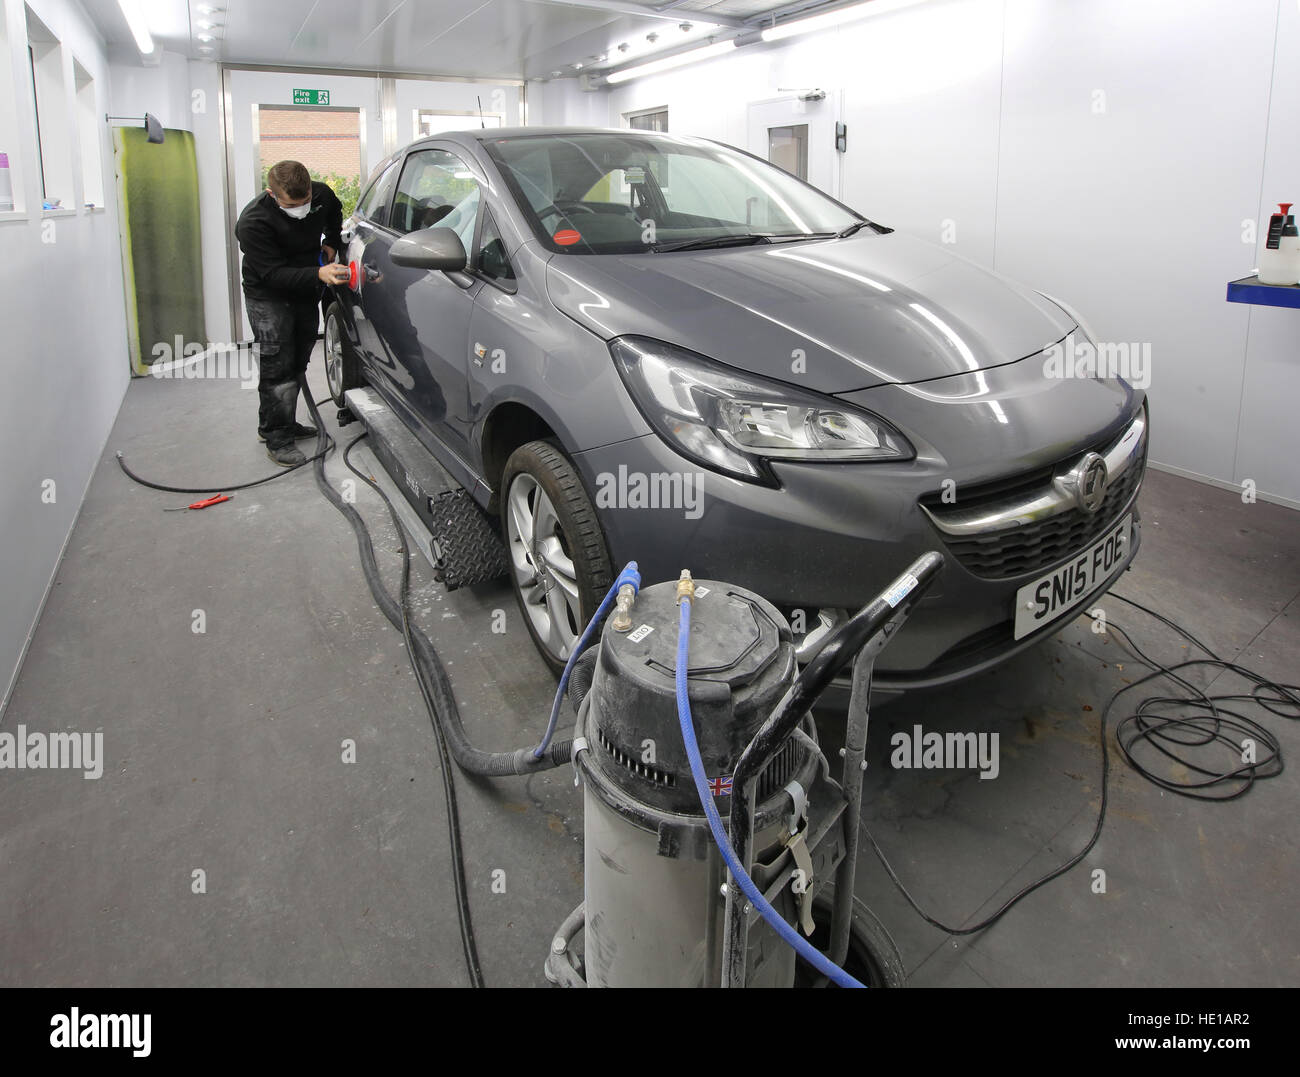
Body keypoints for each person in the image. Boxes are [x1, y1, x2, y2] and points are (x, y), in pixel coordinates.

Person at [235, 161, 350, 466]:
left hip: (305, 289)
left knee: (298, 359)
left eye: (305, 202)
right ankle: (278, 439)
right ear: (272, 195)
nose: (300, 208)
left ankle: (276, 422)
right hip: (268, 295)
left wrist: (331, 243)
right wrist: (319, 274)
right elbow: (272, 274)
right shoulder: (253, 222)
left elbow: (334, 213)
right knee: (278, 365)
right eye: (291, 205)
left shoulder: (321, 195)